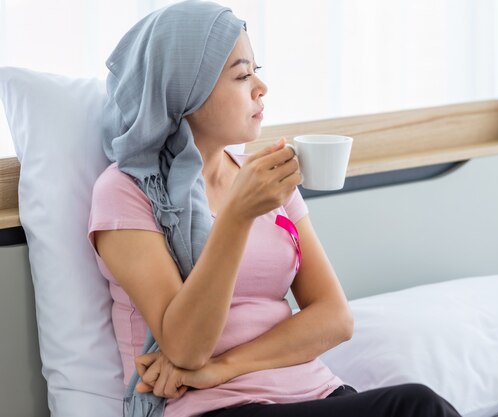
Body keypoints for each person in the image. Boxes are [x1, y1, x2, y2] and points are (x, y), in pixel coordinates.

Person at [88, 1, 462, 416]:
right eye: (242, 75)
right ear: (185, 91)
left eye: (257, 72)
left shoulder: (266, 177)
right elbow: (185, 347)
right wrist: (237, 216)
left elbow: (335, 317)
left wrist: (225, 366)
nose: (260, 88)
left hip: (314, 392)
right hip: (211, 409)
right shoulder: (127, 191)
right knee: (415, 407)